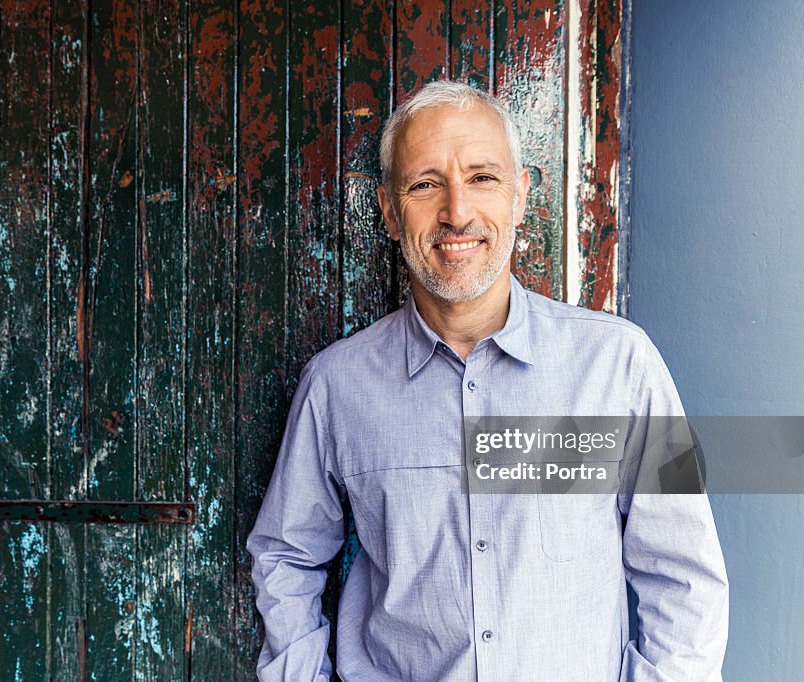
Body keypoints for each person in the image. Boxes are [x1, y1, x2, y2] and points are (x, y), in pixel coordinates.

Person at [246, 80, 728, 681]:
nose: (457, 212)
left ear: (521, 196)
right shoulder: (336, 388)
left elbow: (684, 576)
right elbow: (285, 558)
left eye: (483, 178)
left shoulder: (622, 368)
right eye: (425, 184)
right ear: (391, 213)